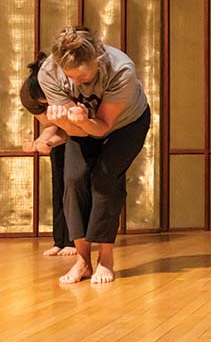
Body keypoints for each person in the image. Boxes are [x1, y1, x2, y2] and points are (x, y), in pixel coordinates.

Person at [38, 26, 151, 284]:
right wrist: (65, 123)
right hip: (82, 125)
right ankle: (83, 261)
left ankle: (106, 260)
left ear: (97, 62)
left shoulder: (121, 70)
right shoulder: (49, 72)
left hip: (126, 125)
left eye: (84, 76)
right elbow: (72, 130)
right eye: (71, 77)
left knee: (105, 179)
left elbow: (100, 128)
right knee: (73, 179)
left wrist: (83, 122)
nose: (77, 83)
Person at [20, 52, 75, 257]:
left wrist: (48, 141)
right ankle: (59, 240)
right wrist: (41, 142)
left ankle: (74, 240)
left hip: (83, 129)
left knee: (75, 183)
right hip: (61, 133)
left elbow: (73, 127)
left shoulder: (67, 85)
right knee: (58, 184)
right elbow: (50, 124)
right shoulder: (28, 94)